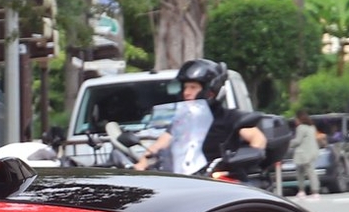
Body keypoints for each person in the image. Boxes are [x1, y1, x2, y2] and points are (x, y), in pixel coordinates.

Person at [134, 58, 265, 176]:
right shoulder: (182, 121)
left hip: (223, 181)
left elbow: (258, 139)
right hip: (189, 180)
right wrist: (141, 165)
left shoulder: (230, 117)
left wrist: (240, 162)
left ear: (211, 91)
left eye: (193, 87)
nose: (186, 93)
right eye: (185, 88)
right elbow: (158, 146)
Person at [287, 112, 324, 197]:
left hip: (303, 153)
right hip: (312, 152)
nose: (295, 121)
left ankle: (302, 190)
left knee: (300, 173)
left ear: (299, 119)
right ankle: (315, 191)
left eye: (296, 119)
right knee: (311, 172)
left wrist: (288, 144)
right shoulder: (312, 127)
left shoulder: (300, 128)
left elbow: (297, 141)